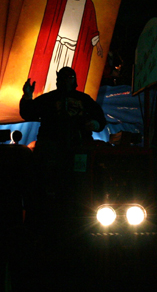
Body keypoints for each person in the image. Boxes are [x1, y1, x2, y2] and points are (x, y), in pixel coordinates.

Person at [20, 67, 106, 212]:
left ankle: (80, 211)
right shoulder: (48, 99)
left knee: (79, 185)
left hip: (78, 148)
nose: (66, 81)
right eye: (63, 77)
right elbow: (28, 113)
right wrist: (27, 97)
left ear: (74, 80)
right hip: (52, 151)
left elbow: (100, 119)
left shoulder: (84, 100)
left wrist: (95, 124)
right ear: (58, 79)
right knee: (51, 186)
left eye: (69, 77)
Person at [27, 0, 103, 95]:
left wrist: (98, 45)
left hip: (73, 50)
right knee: (49, 73)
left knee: (67, 80)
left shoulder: (87, 3)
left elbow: (92, 27)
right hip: (55, 45)